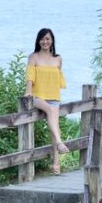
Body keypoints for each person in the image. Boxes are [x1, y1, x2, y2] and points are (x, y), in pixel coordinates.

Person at [25, 28, 70, 173]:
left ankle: (56, 163)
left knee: (54, 128)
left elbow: (58, 78)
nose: (45, 42)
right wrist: (28, 92)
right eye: (43, 39)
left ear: (52, 41)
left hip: (54, 96)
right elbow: (30, 77)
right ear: (38, 41)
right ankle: (59, 143)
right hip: (38, 97)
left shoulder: (58, 58)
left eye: (48, 39)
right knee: (50, 111)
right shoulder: (33, 57)